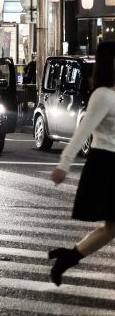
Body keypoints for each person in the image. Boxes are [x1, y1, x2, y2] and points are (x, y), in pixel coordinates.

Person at [48, 40, 115, 286]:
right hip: (107, 164)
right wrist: (63, 164)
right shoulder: (102, 96)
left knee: (111, 229)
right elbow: (82, 131)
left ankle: (67, 258)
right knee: (111, 227)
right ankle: (68, 258)